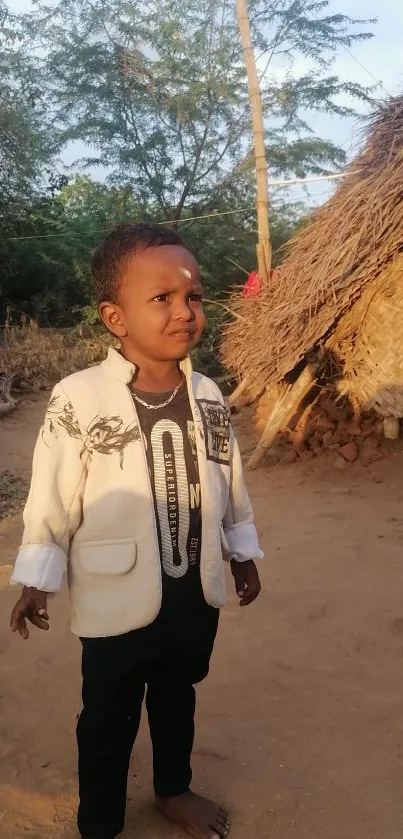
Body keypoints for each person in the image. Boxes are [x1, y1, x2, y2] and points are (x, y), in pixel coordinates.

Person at [9, 223, 263, 839]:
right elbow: (53, 493)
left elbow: (229, 479)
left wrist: (242, 551)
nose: (184, 312)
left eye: (194, 297)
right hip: (113, 594)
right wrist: (36, 579)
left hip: (191, 592)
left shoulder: (207, 393)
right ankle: (100, 819)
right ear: (113, 317)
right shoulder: (80, 398)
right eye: (162, 299)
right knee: (108, 714)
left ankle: (173, 789)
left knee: (178, 697)